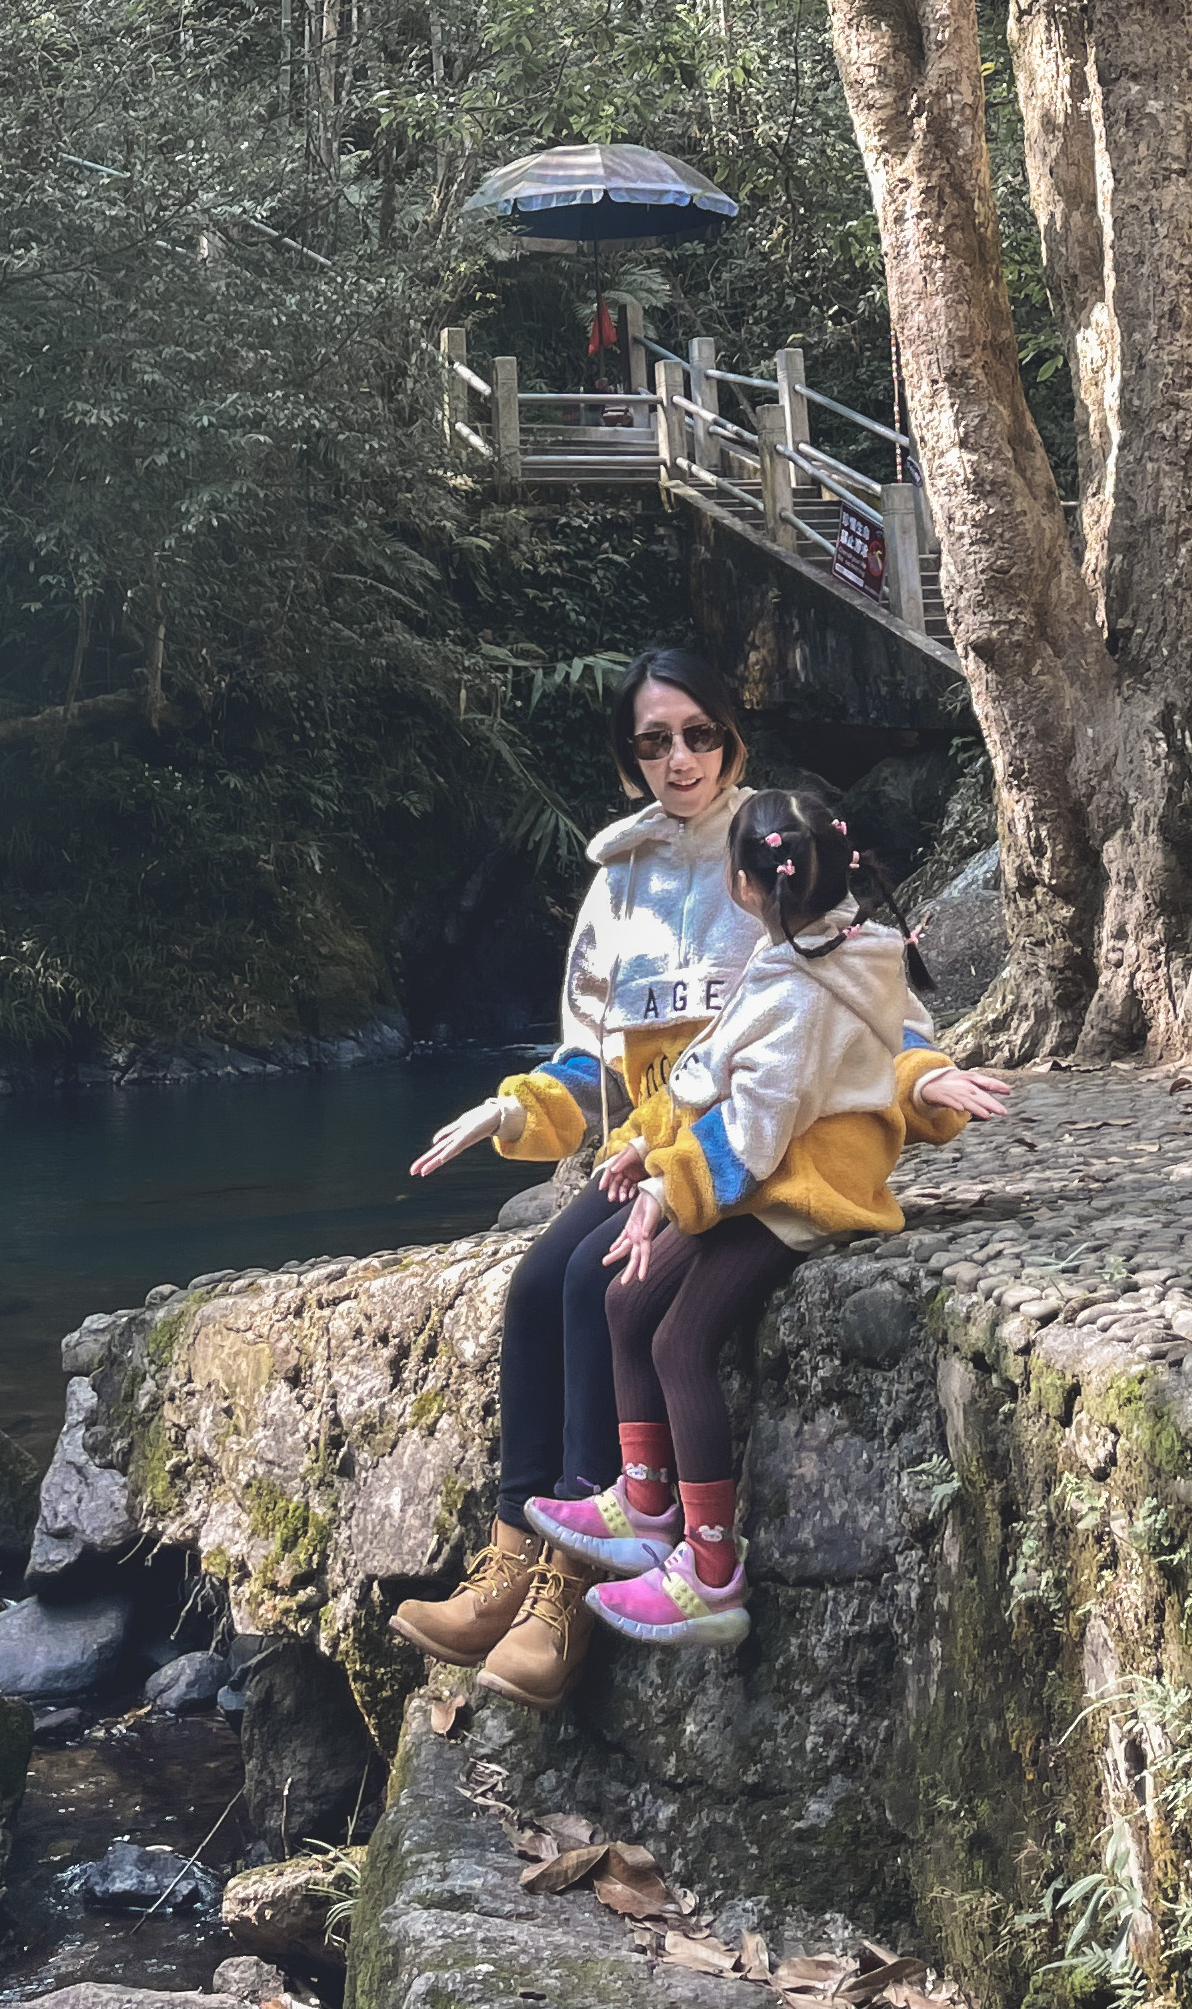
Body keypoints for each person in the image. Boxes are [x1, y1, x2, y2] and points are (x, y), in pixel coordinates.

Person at [395, 665, 979, 1707]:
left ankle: (565, 1593)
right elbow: (598, 1065)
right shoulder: (618, 883)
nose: (680, 759)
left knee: (596, 1289)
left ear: (732, 742)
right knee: (536, 1285)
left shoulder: (782, 848)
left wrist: (929, 1078)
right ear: (630, 760)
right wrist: (512, 1110)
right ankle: (511, 1555)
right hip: (657, 1144)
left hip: (738, 1159)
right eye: (655, 741)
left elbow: (866, 1025)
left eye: (699, 735)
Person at [539, 780, 1013, 1655]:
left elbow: (753, 1135)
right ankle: (645, 1504)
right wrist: (652, 1143)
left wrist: (661, 1190)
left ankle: (711, 1572)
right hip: (772, 1170)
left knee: (681, 1338)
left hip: (804, 1192)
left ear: (745, 887)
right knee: (625, 1303)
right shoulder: (837, 947)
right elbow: (783, 1060)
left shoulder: (799, 984)